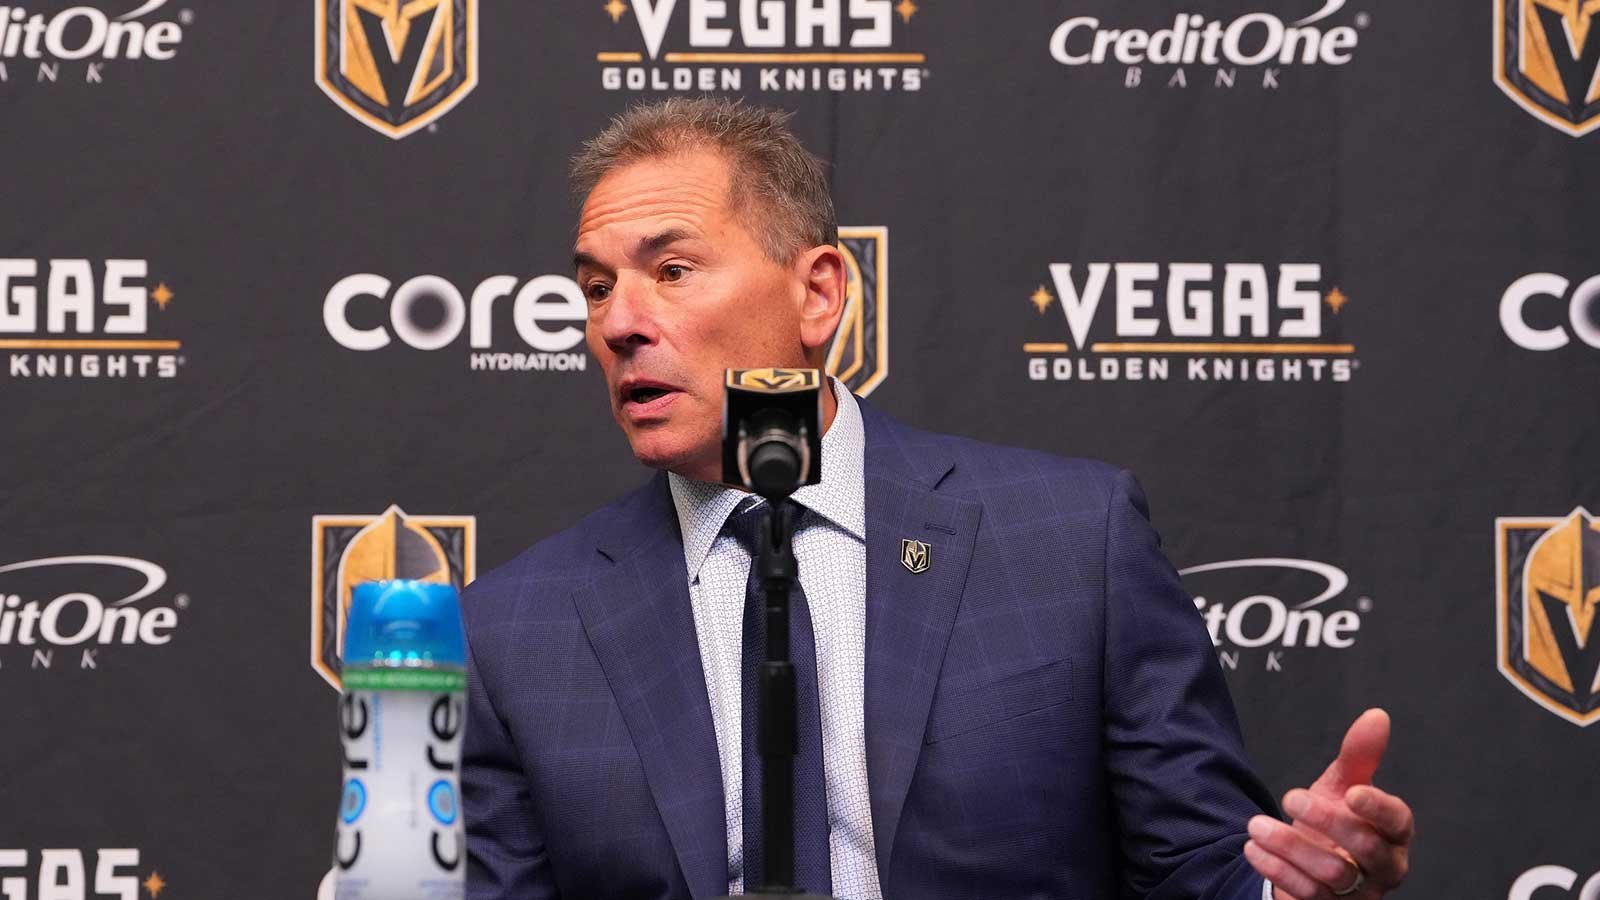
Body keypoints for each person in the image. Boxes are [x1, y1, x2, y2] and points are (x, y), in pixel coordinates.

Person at [460, 97, 1413, 900]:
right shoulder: (513, 633)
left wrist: (1300, 890)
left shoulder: (1071, 544)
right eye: (596, 287)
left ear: (818, 294)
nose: (619, 323)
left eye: (671, 271)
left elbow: (1202, 871)